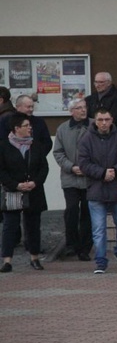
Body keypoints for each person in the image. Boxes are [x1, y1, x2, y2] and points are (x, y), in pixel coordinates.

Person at [78, 108, 117, 274]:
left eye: (107, 119)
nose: (103, 123)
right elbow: (83, 163)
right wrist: (102, 173)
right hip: (96, 189)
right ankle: (100, 261)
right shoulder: (86, 139)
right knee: (99, 229)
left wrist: (115, 170)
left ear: (112, 120)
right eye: (100, 119)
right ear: (95, 121)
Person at [0, 112, 49, 273]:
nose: (30, 128)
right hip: (13, 191)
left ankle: (34, 257)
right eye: (26, 126)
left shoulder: (36, 145)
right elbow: (2, 171)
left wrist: (35, 182)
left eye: (30, 126)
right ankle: (7, 260)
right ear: (16, 128)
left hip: (34, 191)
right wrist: (16, 185)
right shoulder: (4, 146)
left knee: (33, 226)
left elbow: (44, 168)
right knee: (10, 226)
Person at [51, 99, 93, 261]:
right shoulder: (62, 129)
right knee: (71, 211)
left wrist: (88, 167)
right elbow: (58, 153)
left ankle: (85, 248)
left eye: (84, 107)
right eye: (78, 108)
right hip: (70, 177)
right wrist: (71, 167)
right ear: (71, 111)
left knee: (87, 212)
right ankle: (71, 244)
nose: (83, 110)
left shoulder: (94, 125)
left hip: (89, 177)